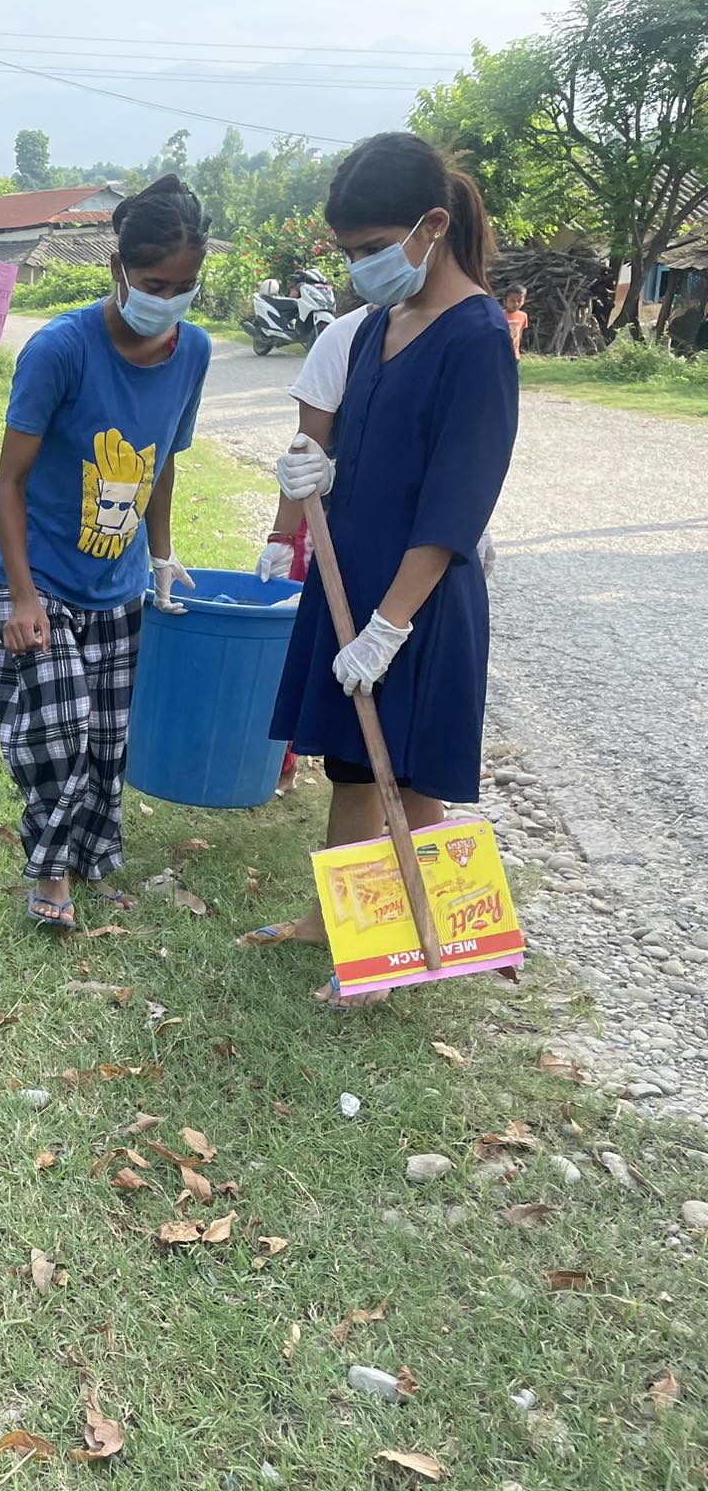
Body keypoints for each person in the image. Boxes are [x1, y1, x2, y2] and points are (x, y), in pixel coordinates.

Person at [248, 132, 519, 1007]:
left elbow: (455, 503)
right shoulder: (375, 327)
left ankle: (394, 950)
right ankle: (337, 923)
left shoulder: (477, 338)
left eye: (371, 250)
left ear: (431, 226)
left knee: (407, 768)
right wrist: (319, 478)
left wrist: (390, 627)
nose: (360, 268)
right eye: (350, 253)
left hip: (419, 601)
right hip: (349, 581)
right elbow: (360, 450)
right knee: (351, 766)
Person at [0, 175, 213, 932]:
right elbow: (9, 482)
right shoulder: (61, 350)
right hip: (40, 569)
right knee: (56, 734)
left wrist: (163, 555)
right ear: (117, 268)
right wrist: (20, 597)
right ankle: (50, 876)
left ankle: (86, 859)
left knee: (108, 738)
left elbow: (166, 458)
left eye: (184, 285)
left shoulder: (195, 352)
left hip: (118, 581)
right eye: (154, 283)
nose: (169, 298)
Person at [501, 285, 529, 359]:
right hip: (500, 353)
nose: (516, 304)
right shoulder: (499, 316)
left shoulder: (523, 316)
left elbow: (519, 333)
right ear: (505, 301)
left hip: (514, 355)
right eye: (512, 300)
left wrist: (517, 350)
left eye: (519, 301)